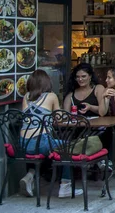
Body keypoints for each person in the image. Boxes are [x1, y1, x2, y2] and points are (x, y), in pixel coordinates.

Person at [19, 70, 83, 198]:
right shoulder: (51, 96)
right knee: (67, 148)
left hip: (23, 144)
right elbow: (59, 118)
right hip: (41, 141)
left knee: (45, 150)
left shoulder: (26, 97)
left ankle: (30, 175)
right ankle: (65, 185)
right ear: (47, 82)